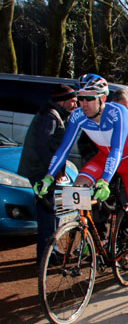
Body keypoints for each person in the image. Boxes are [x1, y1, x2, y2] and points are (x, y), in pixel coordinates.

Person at [33, 74, 128, 289]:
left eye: (89, 99)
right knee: (79, 185)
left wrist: (104, 181)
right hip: (103, 157)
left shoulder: (118, 112)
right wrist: (47, 177)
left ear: (102, 98)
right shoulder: (77, 117)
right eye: (80, 98)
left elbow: (118, 149)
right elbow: (63, 149)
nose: (83, 104)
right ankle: (83, 233)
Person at [18, 84, 77, 261]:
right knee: (47, 211)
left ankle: (50, 250)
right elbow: (44, 147)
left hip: (42, 170)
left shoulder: (55, 115)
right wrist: (54, 172)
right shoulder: (50, 117)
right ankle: (47, 254)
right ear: (62, 101)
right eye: (73, 101)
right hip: (40, 172)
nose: (75, 105)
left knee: (49, 210)